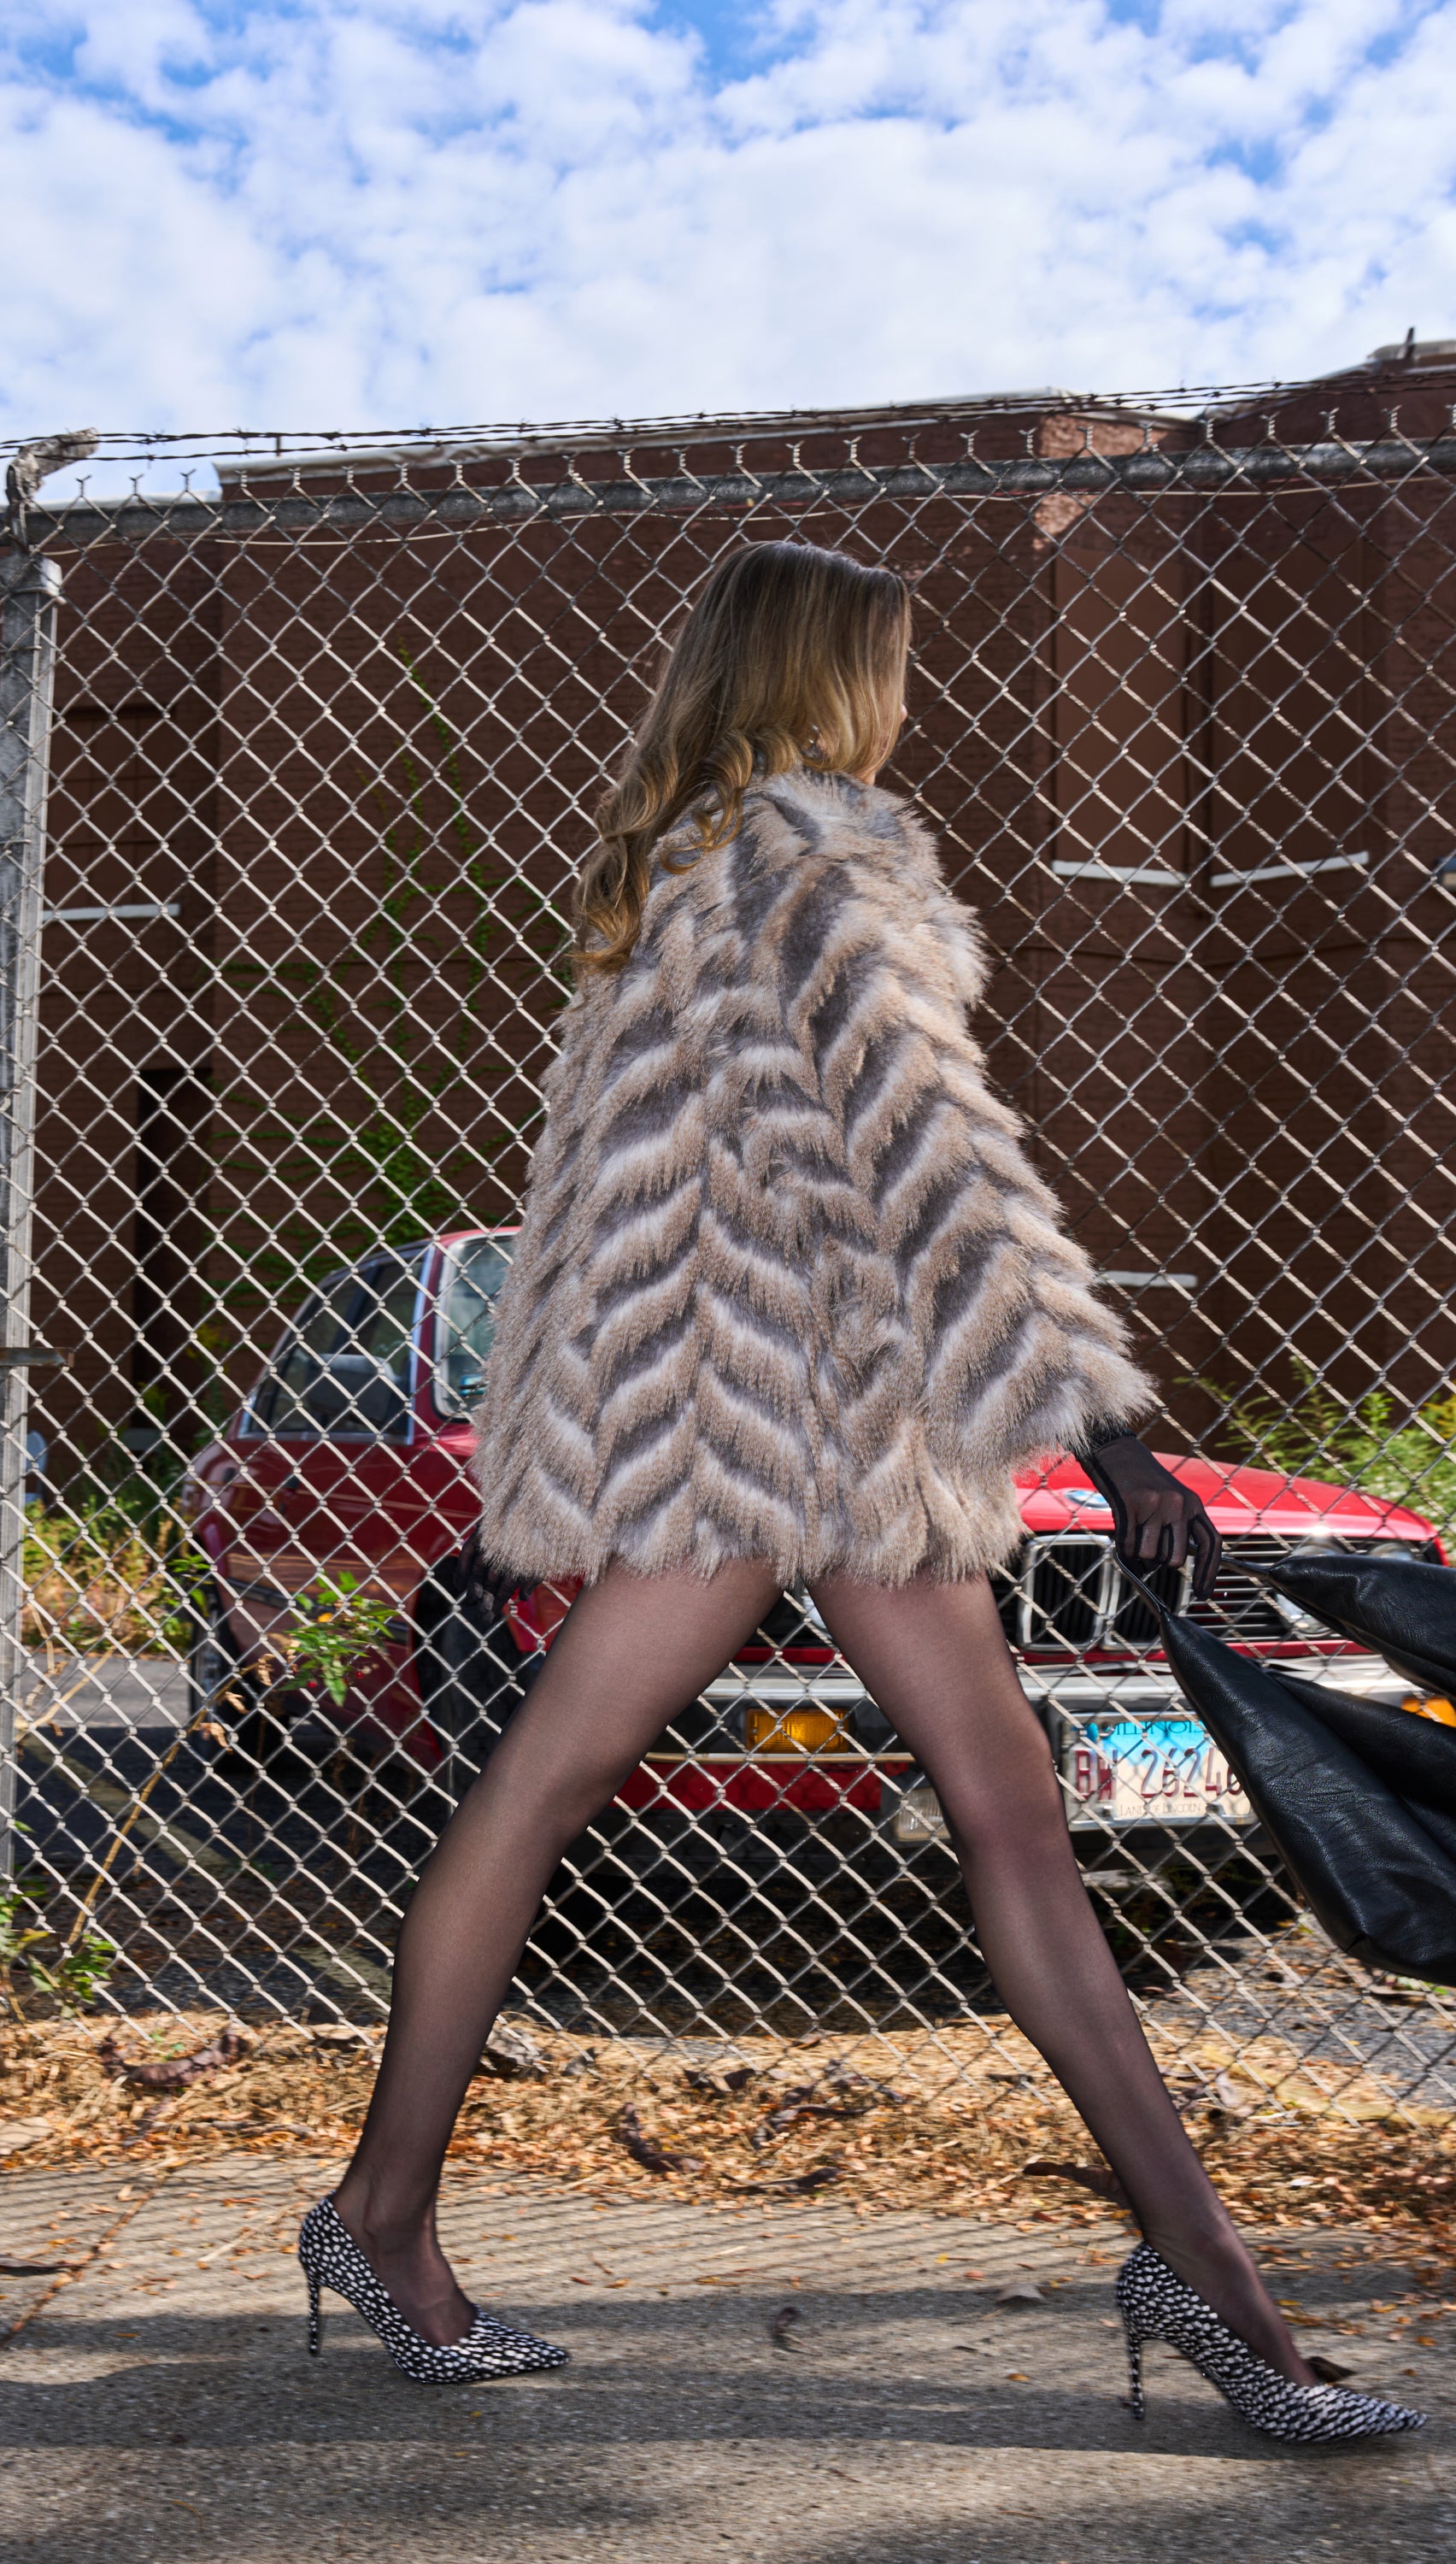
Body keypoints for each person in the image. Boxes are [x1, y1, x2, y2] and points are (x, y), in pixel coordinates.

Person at [301, 541, 1422, 2443]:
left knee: (921, 1805)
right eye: (893, 662)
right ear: (832, 674)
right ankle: (383, 2220)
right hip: (792, 1423)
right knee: (957, 1816)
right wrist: (1095, 1419)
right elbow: (933, 1153)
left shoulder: (675, 865)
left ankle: (1204, 2276)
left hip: (760, 1418)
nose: (910, 697)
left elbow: (624, 1204)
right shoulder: (819, 855)